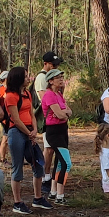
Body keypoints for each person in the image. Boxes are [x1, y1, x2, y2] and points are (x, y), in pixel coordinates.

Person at [4, 66, 51, 214]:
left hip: (29, 131)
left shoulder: (27, 94)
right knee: (17, 166)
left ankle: (38, 198)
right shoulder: (10, 96)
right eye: (25, 76)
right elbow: (16, 119)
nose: (28, 79)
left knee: (38, 163)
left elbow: (31, 114)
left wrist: (34, 130)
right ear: (18, 78)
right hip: (17, 133)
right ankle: (17, 202)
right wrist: (28, 132)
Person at [40, 68, 72, 203]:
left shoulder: (58, 94)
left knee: (59, 162)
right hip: (54, 132)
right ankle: (60, 195)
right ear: (51, 81)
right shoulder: (49, 95)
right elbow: (60, 114)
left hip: (62, 130)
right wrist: (64, 114)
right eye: (58, 78)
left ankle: (53, 192)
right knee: (67, 163)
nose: (61, 80)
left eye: (61, 77)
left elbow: (69, 111)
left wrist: (65, 113)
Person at [33, 51, 62, 193]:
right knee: (48, 149)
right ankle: (45, 177)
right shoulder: (41, 78)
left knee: (51, 148)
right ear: (46, 64)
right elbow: (45, 98)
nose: (55, 67)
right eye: (53, 65)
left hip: (54, 118)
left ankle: (48, 175)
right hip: (47, 118)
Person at [0, 70, 10, 166]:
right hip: (5, 118)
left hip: (8, 116)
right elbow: (7, 97)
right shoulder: (2, 89)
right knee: (5, 138)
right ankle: (2, 159)